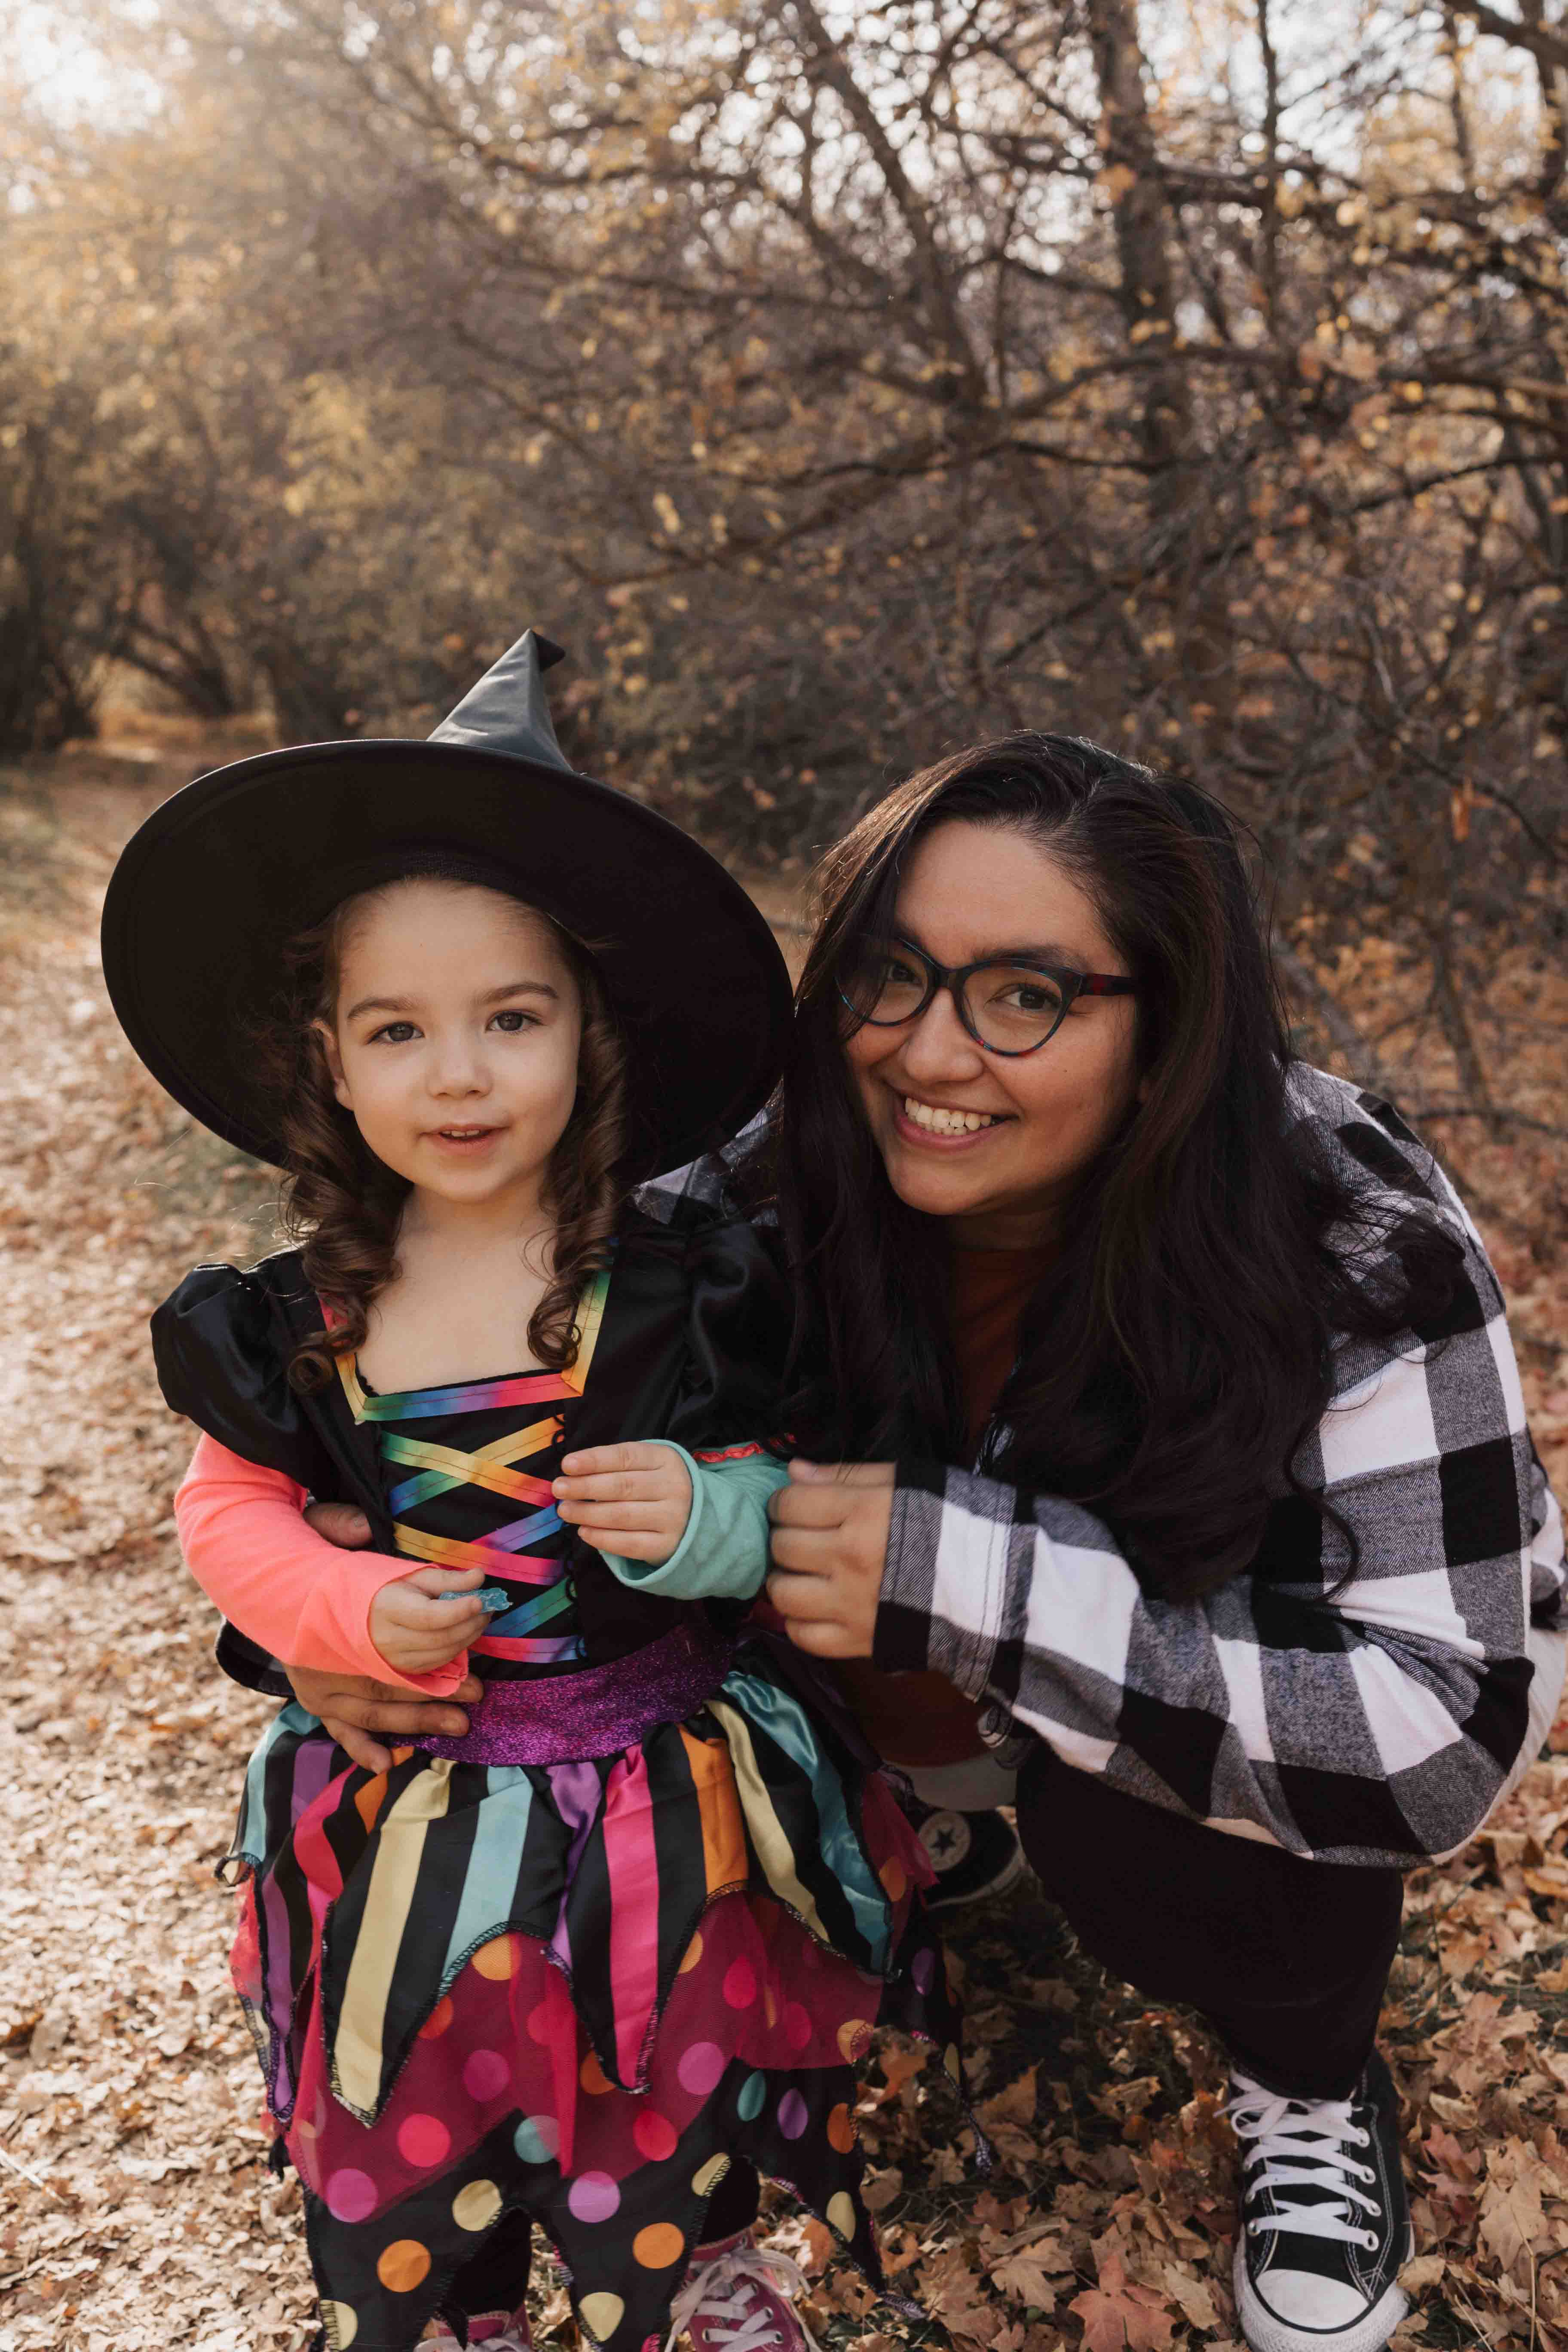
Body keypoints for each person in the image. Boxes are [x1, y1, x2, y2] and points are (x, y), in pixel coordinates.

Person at [198, 731, 1565, 2352]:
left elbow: (1443, 1737)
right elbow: (478, 1407)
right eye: (890, 976)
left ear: (1170, 1015)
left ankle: (1308, 2077)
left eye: (1025, 996)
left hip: (1170, 1745)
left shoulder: (1350, 1237)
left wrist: (957, 1574)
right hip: (842, 1707)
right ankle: (921, 1812)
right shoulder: (769, 1173)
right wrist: (323, 1619)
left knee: (1159, 1852)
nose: (929, 1054)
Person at [101, 632, 965, 2352]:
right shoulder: (305, 1315)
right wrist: (339, 1607)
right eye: (399, 1030)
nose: (463, 1074)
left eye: (512, 1018)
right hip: (416, 1798)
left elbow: (793, 1476)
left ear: (592, 1033)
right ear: (331, 1064)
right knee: (428, 2073)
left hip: (660, 1785)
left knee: (668, 2063)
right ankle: (455, 2304)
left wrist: (715, 1511)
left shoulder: (684, 1283)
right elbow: (228, 1515)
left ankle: (699, 2270)